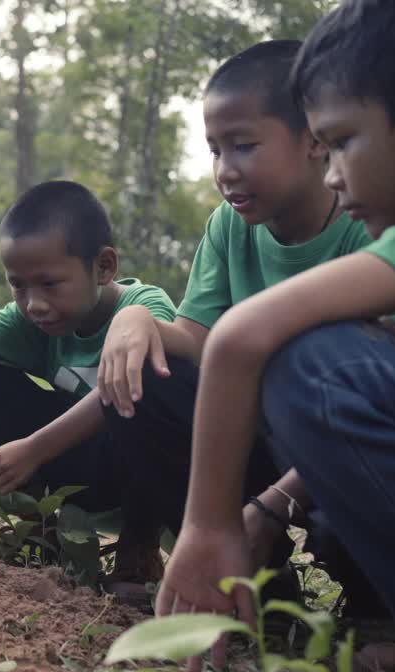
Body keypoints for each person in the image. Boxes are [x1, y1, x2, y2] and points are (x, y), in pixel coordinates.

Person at [158, 0, 395, 672]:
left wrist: (208, 528)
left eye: (342, 141)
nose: (335, 174)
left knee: (314, 367)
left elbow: (239, 338)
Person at [95, 40, 372, 593]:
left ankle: (377, 605)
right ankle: (253, 586)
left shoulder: (366, 226)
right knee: (147, 375)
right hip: (264, 429)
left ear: (316, 140)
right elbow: (198, 342)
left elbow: (368, 402)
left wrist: (270, 508)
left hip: (342, 440)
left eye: (244, 146)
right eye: (215, 151)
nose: (226, 171)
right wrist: (137, 320)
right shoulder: (229, 226)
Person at [0, 180, 176, 587]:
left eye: (50, 284)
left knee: (147, 382)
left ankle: (138, 546)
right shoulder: (32, 321)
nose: (34, 303)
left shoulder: (143, 309)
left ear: (104, 267)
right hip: (73, 463)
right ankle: (39, 530)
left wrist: (34, 450)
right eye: (18, 285)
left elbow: (139, 396)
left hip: (142, 475)